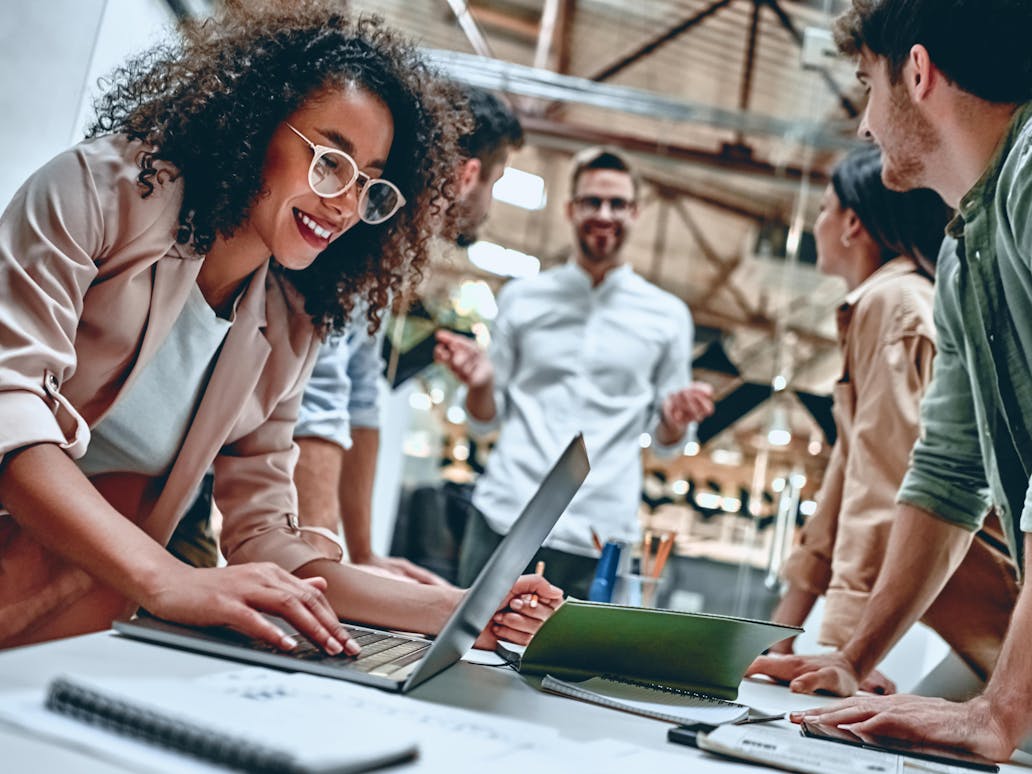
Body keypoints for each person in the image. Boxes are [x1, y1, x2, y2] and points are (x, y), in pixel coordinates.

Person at [0, 3, 560, 653]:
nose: (346, 204)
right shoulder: (97, 192)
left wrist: (462, 608)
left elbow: (267, 536)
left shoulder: (291, 320)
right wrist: (170, 577)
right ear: (254, 125)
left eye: (370, 185)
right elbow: (10, 408)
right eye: (330, 161)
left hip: (77, 612)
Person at [746, 0, 1032, 760]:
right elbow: (945, 475)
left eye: (869, 83)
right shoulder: (968, 253)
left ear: (917, 70)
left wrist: (999, 711)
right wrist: (851, 658)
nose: (867, 126)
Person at [749, 146, 1017, 695]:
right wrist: (779, 633)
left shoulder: (892, 305)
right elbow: (842, 488)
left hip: (1002, 617)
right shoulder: (881, 305)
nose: (817, 222)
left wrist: (848, 654)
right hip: (980, 623)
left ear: (852, 223)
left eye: (824, 208)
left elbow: (884, 483)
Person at [435, 146, 715, 600]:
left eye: (618, 203)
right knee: (467, 654)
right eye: (592, 201)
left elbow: (668, 446)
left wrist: (675, 420)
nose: (604, 214)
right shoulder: (522, 298)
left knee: (574, 669)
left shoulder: (669, 316)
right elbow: (484, 418)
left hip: (600, 532)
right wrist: (482, 384)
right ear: (570, 209)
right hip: (506, 515)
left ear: (636, 212)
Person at [288, 85, 524, 585]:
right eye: (496, 182)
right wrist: (327, 568)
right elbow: (322, 392)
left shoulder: (393, 251)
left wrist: (363, 553)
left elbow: (360, 391)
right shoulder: (365, 227)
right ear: (468, 175)